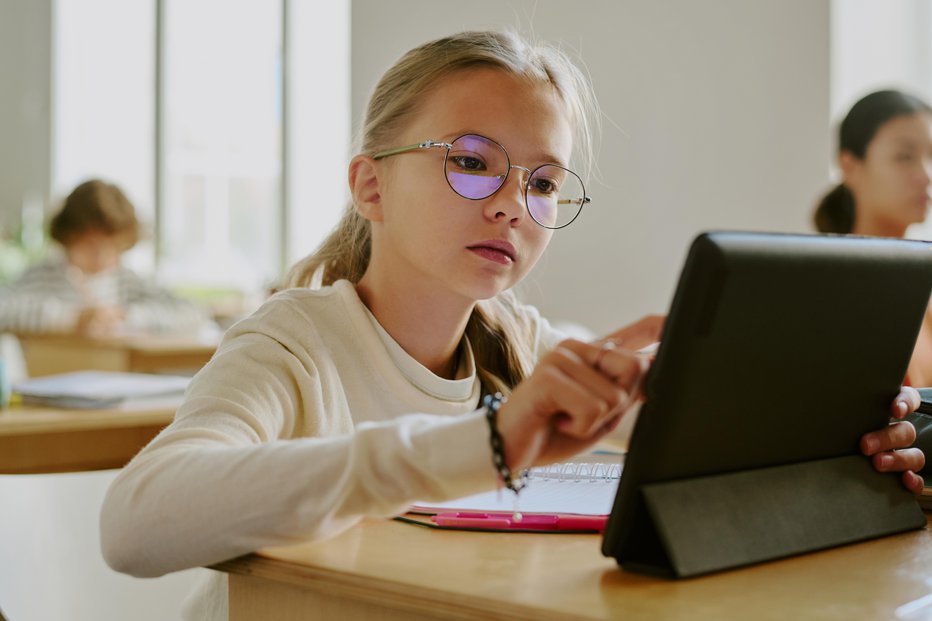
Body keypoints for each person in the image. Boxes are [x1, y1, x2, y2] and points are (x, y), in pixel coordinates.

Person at [101, 31, 925, 620]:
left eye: (542, 182)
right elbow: (134, 524)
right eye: (469, 160)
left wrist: (851, 438)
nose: (509, 203)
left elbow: (709, 436)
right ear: (370, 186)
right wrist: (487, 442)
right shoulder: (294, 343)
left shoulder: (523, 340)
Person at [813, 90, 932, 386]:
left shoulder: (924, 290)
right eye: (904, 157)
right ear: (850, 165)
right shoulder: (825, 291)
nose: (926, 175)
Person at [0, 179, 204, 336]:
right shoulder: (42, 276)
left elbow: (191, 311)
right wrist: (71, 318)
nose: (102, 257)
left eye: (114, 248)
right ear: (68, 238)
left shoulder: (128, 282)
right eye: (91, 247)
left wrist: (127, 316)